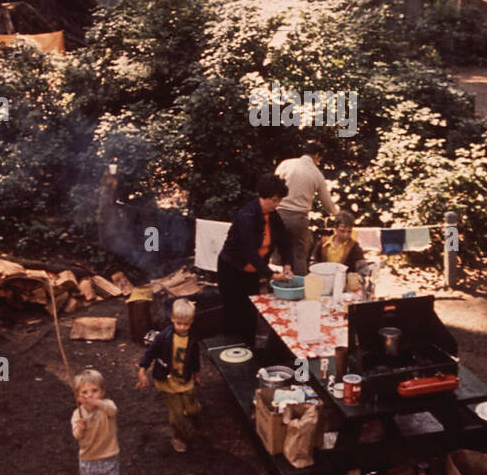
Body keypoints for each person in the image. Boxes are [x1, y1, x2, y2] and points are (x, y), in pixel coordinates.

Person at [217, 175, 293, 343]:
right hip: (232, 269)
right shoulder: (247, 216)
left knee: (251, 312)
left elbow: (284, 242)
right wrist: (271, 275)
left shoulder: (273, 216)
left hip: (252, 271)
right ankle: (230, 353)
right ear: (263, 196)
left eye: (279, 200)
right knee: (233, 312)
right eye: (273, 200)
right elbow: (250, 252)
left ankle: (249, 351)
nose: (276, 204)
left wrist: (287, 264)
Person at [137, 297, 202, 454]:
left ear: (191, 321)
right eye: (178, 323)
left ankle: (191, 410)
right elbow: (150, 352)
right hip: (168, 381)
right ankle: (178, 437)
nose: (182, 327)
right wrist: (142, 370)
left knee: (192, 409)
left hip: (185, 380)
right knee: (176, 415)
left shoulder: (192, 339)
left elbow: (194, 358)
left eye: (186, 324)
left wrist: (196, 374)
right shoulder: (164, 337)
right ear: (172, 319)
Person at [71, 369, 127, 475]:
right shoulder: (77, 413)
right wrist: (80, 429)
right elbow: (76, 435)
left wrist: (97, 403)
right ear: (78, 397)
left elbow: (113, 411)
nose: (90, 395)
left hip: (109, 458)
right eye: (85, 392)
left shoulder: (107, 406)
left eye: (94, 391)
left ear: (102, 392)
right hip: (87, 462)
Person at [275, 142, 339, 274]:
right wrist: (337, 214)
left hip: (279, 215)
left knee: (276, 253)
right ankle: (300, 287)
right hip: (299, 218)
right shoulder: (317, 174)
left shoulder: (286, 164)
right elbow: (327, 203)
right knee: (299, 256)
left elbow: (272, 185)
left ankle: (273, 287)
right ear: (317, 156)